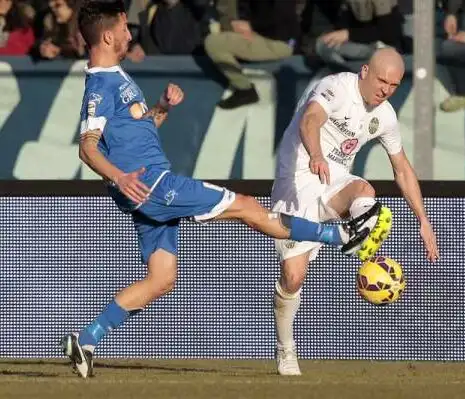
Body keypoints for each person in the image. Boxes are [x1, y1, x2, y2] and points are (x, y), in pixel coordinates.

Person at [60, 0, 391, 379]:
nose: (129, 33)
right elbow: (87, 146)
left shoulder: (117, 77)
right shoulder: (101, 83)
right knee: (246, 206)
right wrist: (119, 177)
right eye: (122, 28)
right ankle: (339, 235)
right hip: (153, 185)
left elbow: (137, 130)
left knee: (162, 278)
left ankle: (85, 339)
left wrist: (161, 109)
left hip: (146, 190)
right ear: (106, 35)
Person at [271, 48, 440, 376]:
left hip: (335, 181)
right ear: (364, 71)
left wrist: (423, 220)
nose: (386, 90)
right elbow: (310, 119)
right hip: (297, 181)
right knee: (293, 277)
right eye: (381, 80)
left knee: (366, 192)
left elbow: (402, 169)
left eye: (394, 85)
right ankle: (286, 349)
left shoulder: (385, 115)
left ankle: (359, 241)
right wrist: (316, 154)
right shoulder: (336, 87)